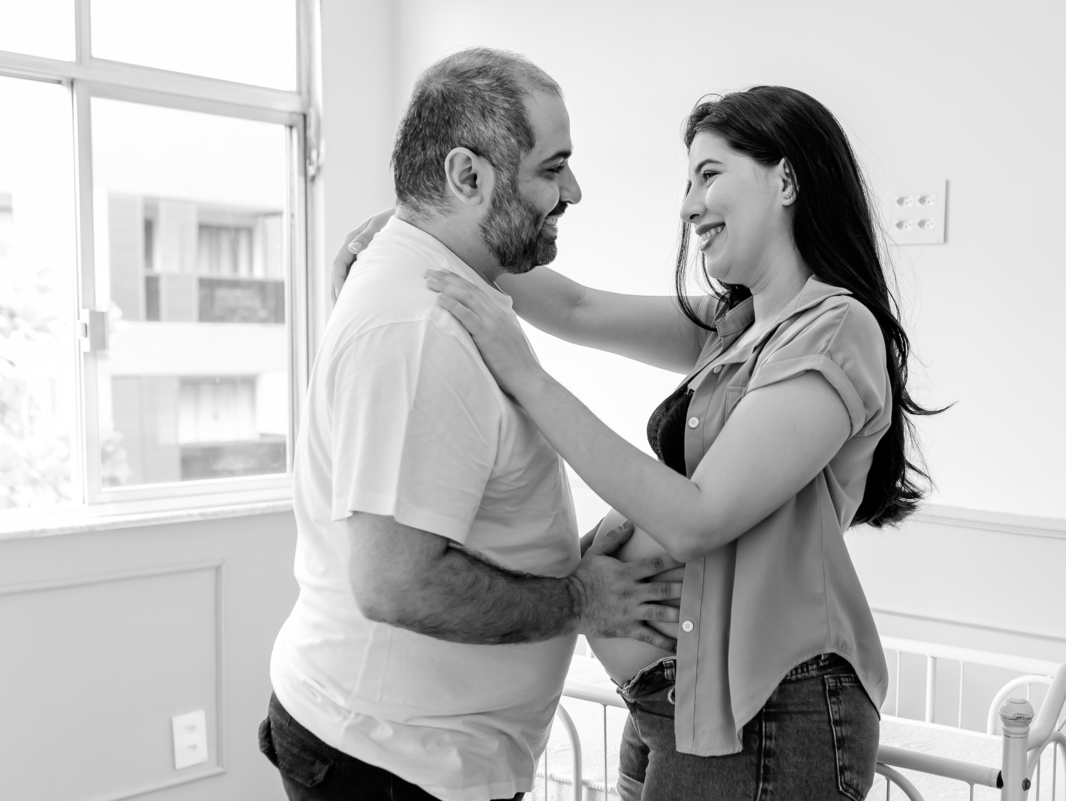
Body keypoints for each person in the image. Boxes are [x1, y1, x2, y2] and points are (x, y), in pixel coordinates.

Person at [338, 84, 939, 800]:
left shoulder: (834, 328)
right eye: (686, 183)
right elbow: (576, 305)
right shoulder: (737, 325)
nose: (687, 206)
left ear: (786, 178)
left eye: (709, 174)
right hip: (680, 698)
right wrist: (421, 232)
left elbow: (697, 517)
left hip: (767, 706)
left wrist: (525, 375)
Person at [261, 48, 683, 801]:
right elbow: (398, 582)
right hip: (386, 763)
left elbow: (585, 311)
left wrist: (558, 561)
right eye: (554, 168)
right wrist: (580, 597)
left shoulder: (454, 286)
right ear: (467, 177)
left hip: (406, 749)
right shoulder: (420, 330)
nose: (574, 190)